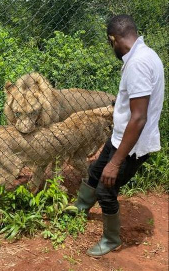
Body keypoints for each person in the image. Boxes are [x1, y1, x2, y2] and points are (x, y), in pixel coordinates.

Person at [68, 14, 165, 257]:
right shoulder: (145, 54)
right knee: (94, 171)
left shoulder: (138, 64)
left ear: (113, 39)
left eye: (109, 43)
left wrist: (115, 162)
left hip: (132, 145)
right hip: (121, 137)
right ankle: (80, 208)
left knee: (106, 190)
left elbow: (139, 118)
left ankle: (111, 239)